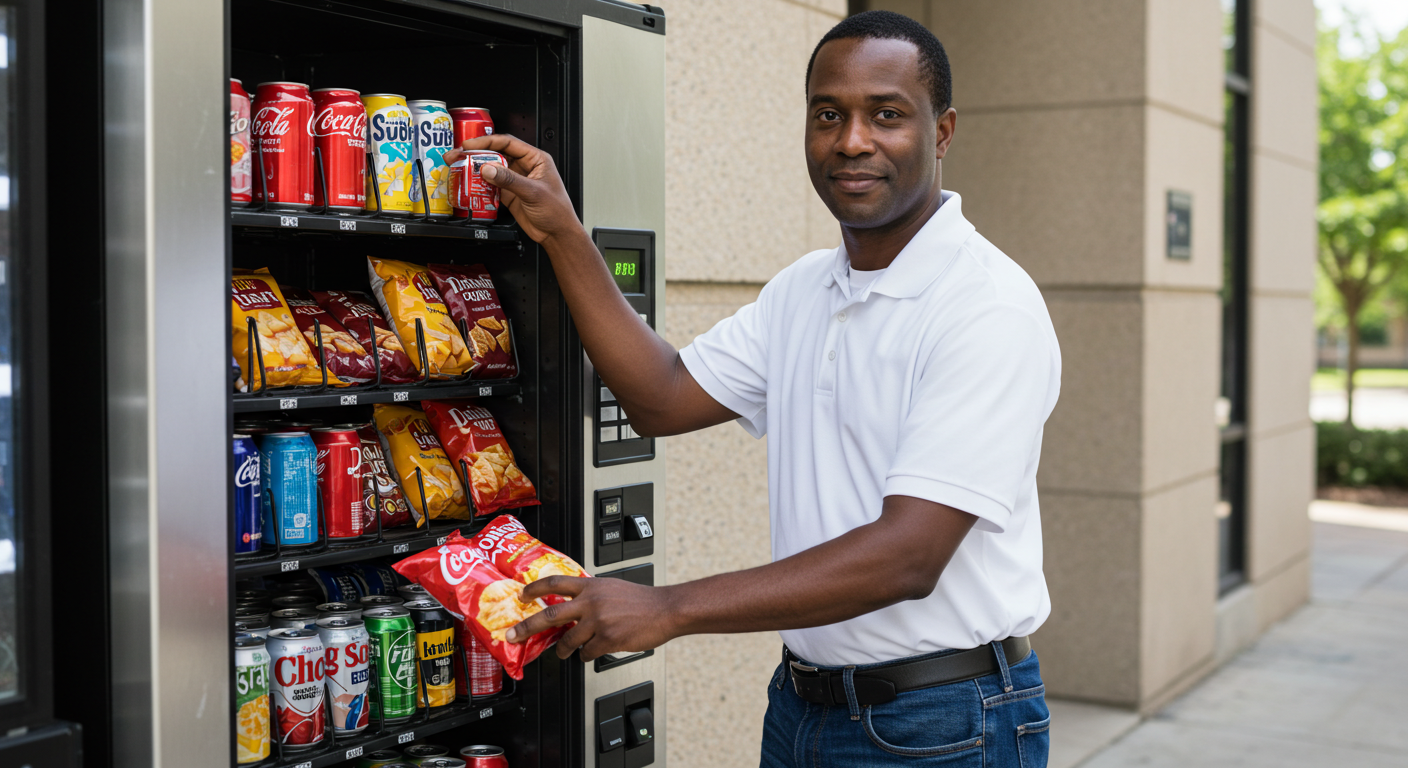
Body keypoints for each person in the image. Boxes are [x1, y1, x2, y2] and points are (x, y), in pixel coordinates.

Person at [448, 10, 1059, 767]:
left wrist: (668, 608)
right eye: (828, 115)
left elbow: (909, 554)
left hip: (944, 721)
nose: (852, 141)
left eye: (887, 115)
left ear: (942, 133)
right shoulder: (805, 289)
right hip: (804, 705)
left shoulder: (987, 306)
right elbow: (661, 396)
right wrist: (565, 233)